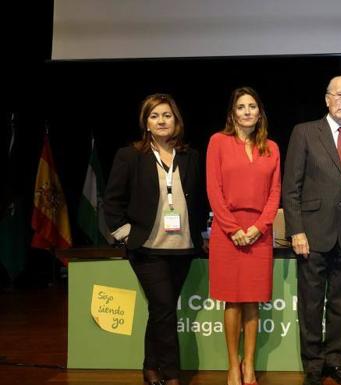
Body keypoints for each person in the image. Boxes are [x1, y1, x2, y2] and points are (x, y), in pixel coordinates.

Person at [103, 93, 203, 385]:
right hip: (147, 249)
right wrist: (125, 236)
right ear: (146, 123)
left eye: (167, 115)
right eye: (154, 116)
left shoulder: (190, 156)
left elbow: (197, 200)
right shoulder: (130, 155)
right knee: (164, 308)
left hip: (183, 247)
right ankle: (172, 376)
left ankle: (150, 367)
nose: (161, 121)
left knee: (163, 309)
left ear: (176, 121)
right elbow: (112, 202)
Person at [282, 75, 341, 385]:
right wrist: (296, 230)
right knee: (310, 305)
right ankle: (312, 366)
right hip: (312, 235)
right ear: (327, 99)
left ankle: (335, 362)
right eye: (340, 95)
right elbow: (291, 188)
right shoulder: (305, 133)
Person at [206, 87, 281, 385]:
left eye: (252, 106)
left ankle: (249, 364)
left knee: (253, 301)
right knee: (232, 302)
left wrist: (258, 228)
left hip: (259, 233)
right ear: (232, 113)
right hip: (228, 232)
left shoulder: (272, 148)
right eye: (241, 107)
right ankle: (232, 366)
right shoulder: (218, 142)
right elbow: (214, 189)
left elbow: (275, 193)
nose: (247, 111)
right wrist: (232, 228)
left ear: (259, 113)